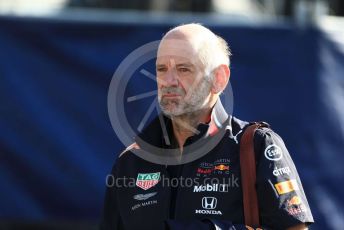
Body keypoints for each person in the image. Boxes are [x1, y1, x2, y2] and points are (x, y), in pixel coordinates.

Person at [100, 23, 314, 230]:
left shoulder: (257, 146)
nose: (169, 81)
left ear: (218, 78)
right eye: (162, 69)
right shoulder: (132, 160)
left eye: (184, 69)